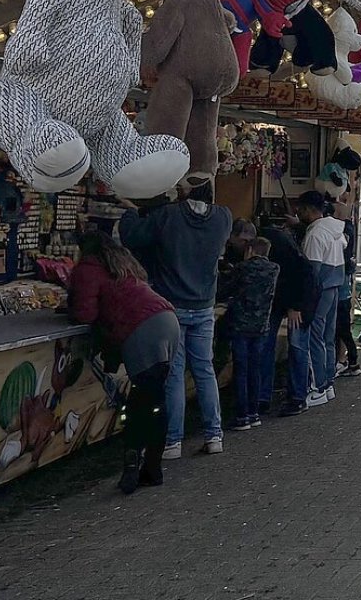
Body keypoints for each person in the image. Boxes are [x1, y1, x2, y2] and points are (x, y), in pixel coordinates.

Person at [121, 183, 233, 458]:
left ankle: (173, 441)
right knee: (204, 371)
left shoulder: (169, 216)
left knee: (174, 375)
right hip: (205, 305)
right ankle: (214, 434)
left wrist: (131, 212)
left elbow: (132, 236)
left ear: (185, 193)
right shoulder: (223, 218)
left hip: (172, 306)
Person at [69, 229, 181, 493]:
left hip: (140, 330)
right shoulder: (124, 262)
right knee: (154, 400)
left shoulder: (87, 268)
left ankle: (134, 467)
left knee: (141, 402)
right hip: (167, 320)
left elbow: (85, 313)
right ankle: (152, 467)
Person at [217, 225, 279, 432]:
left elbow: (225, 291)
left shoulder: (243, 269)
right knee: (255, 368)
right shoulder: (274, 270)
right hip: (262, 325)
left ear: (250, 251)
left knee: (241, 370)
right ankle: (254, 412)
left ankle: (242, 415)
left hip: (240, 325)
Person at [255, 217, 318, 418]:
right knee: (270, 345)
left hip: (297, 300)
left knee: (297, 346)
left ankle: (297, 396)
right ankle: (266, 397)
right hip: (286, 299)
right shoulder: (282, 244)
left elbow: (302, 275)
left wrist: (295, 306)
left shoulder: (280, 249)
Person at [299, 190, 347, 406]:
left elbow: (311, 271)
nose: (298, 213)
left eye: (300, 209)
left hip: (320, 290)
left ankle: (317, 386)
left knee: (314, 338)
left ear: (309, 209)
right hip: (335, 285)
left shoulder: (316, 234)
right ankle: (327, 383)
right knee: (328, 337)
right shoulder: (335, 228)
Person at [334, 197, 361, 378]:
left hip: (341, 284)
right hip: (344, 282)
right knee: (343, 327)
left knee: (342, 328)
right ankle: (346, 360)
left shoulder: (342, 231)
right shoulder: (349, 229)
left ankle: (349, 361)